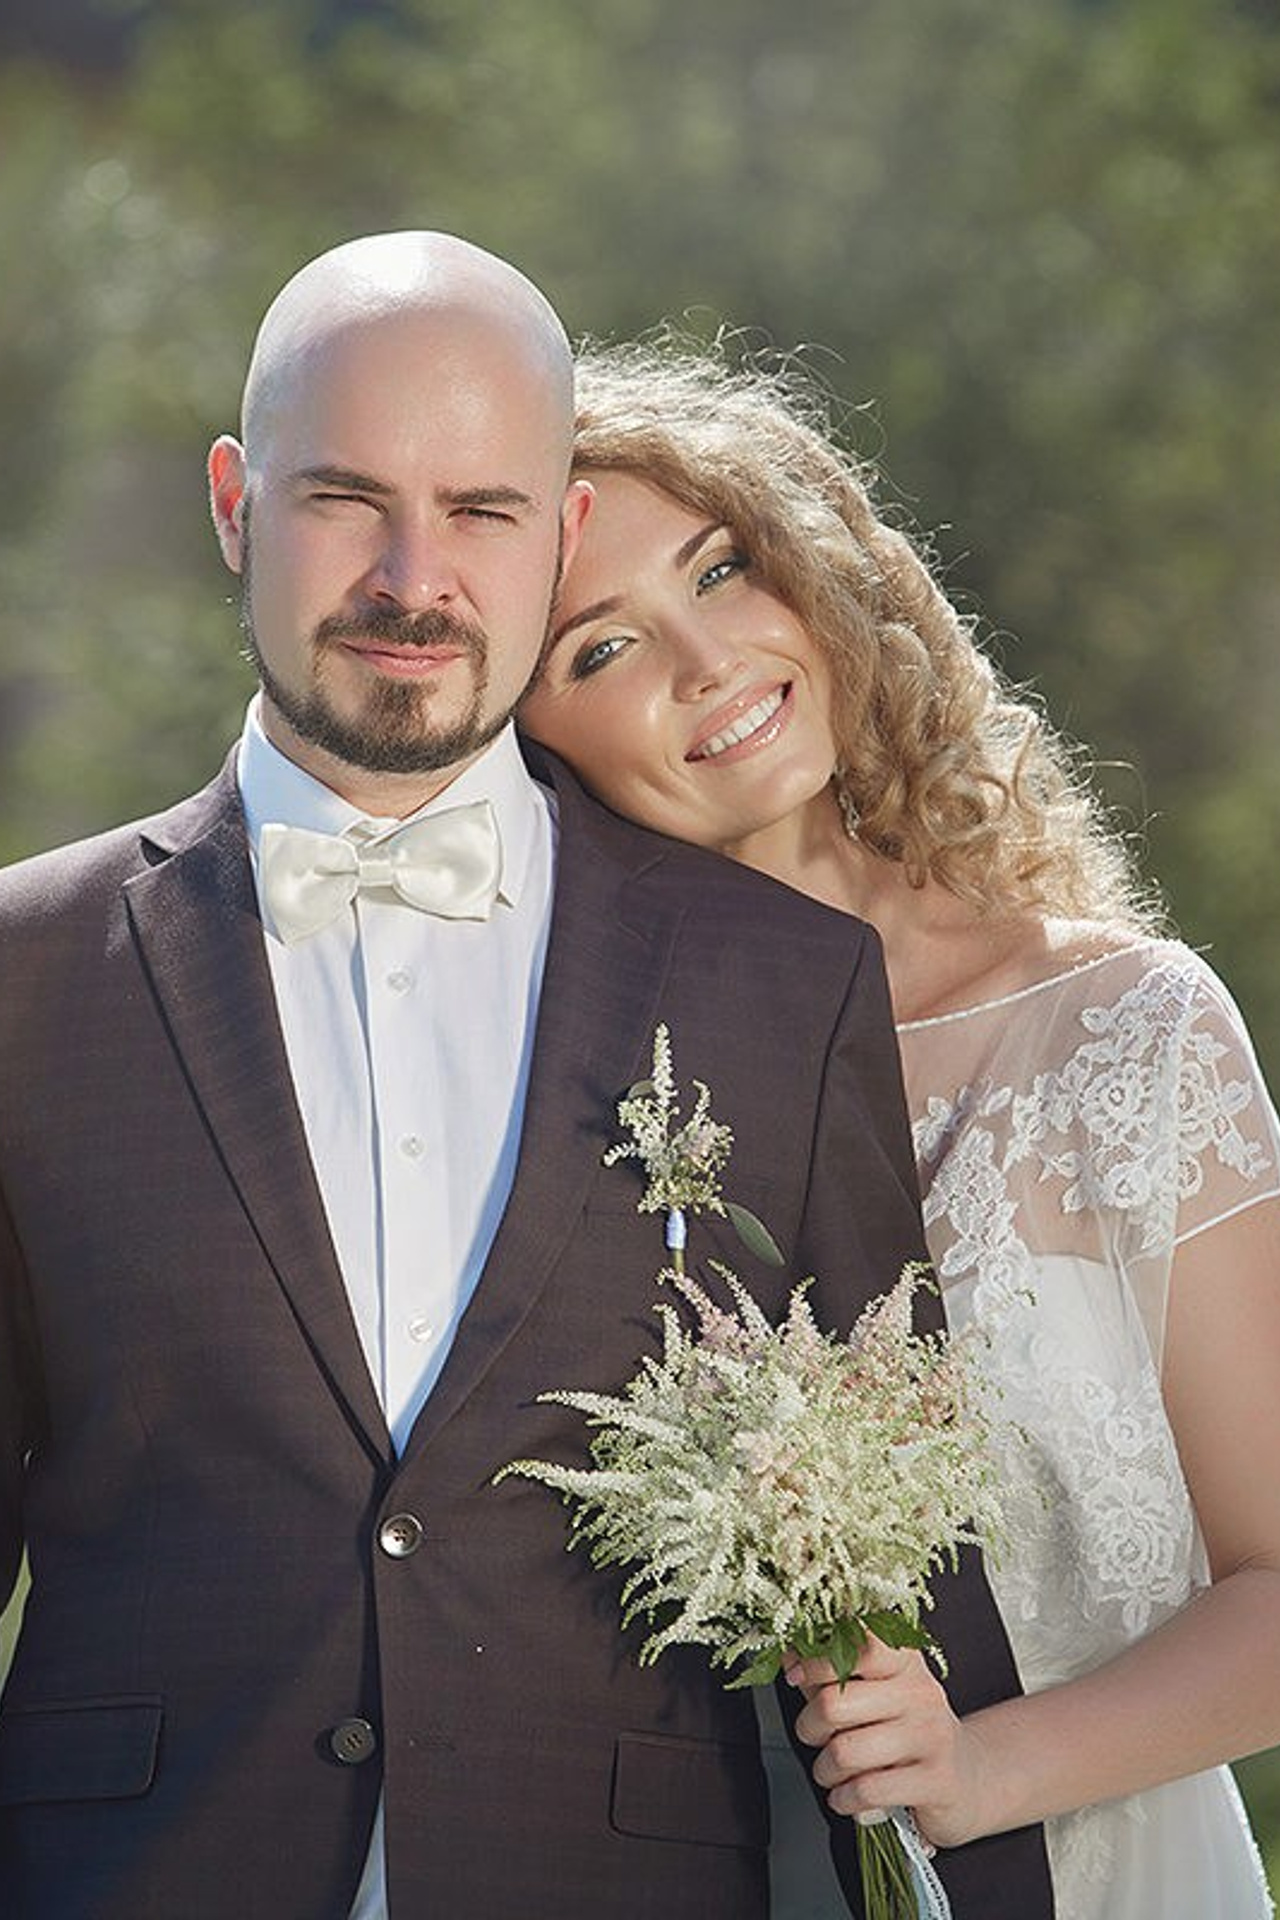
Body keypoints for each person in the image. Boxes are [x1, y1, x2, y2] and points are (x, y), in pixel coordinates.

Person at [0, 236, 1055, 1920]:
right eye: (349, 500)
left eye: (481, 511)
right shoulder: (25, 977)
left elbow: (913, 1580)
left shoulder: (776, 988)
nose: (414, 579)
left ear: (558, 531)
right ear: (233, 504)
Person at [518, 331, 1280, 1920]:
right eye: (600, 650)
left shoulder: (1127, 1030)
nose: (704, 660)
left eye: (724, 571)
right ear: (529, 750)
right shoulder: (569, 1116)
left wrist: (978, 1774)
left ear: (814, 572)